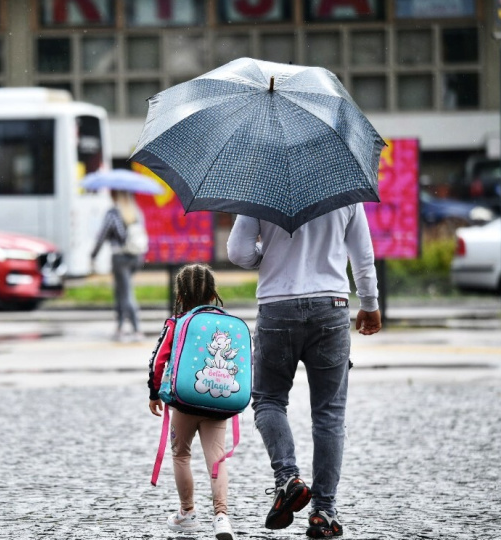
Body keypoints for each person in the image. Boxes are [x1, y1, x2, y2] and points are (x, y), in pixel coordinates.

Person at [226, 205, 382, 538]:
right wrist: (369, 303)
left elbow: (238, 252)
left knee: (268, 399)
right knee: (329, 413)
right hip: (332, 305)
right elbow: (362, 254)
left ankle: (287, 479)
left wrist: (267, 256)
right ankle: (323, 513)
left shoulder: (262, 187)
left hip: (277, 305)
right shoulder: (345, 189)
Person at [147, 263, 237, 540]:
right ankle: (221, 517)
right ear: (212, 294)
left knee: (181, 454)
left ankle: (187, 513)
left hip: (184, 401)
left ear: (180, 294)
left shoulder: (176, 322)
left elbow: (158, 359)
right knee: (217, 459)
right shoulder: (224, 323)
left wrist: (153, 392)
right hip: (219, 400)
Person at [90, 189, 147, 341]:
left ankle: (136, 328)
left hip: (120, 257)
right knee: (121, 290)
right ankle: (120, 326)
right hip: (136, 257)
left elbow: (102, 235)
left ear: (114, 195)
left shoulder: (113, 213)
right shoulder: (136, 212)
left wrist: (93, 254)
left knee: (126, 292)